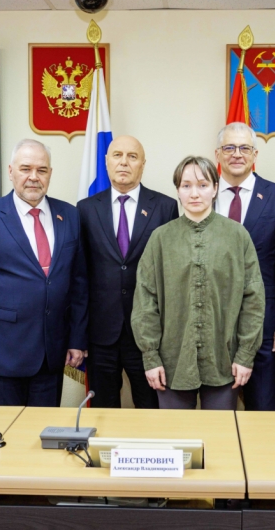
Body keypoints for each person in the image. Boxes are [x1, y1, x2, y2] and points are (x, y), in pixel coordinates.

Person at [0, 139, 88, 407]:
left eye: (41, 170)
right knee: (6, 430)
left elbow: (79, 284)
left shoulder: (70, 215)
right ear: (11, 171)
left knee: (44, 429)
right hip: (2, 354)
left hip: (52, 354)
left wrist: (76, 339)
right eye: (25, 168)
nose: (33, 177)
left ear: (50, 173)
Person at [131, 156, 265, 410]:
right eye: (186, 185)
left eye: (203, 185)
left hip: (225, 361)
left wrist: (245, 355)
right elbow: (145, 302)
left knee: (220, 433)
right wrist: (150, 357)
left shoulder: (238, 236)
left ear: (215, 188)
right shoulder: (160, 238)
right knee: (176, 434)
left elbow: (253, 299)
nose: (194, 193)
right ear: (178, 190)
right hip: (172, 363)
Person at [78, 135, 179, 409]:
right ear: (106, 162)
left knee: (150, 410)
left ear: (143, 164)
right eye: (117, 155)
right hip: (101, 334)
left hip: (148, 336)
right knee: (103, 412)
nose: (124, 162)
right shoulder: (85, 209)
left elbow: (171, 276)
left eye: (132, 156)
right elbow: (80, 276)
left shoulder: (165, 207)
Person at [214, 122, 275, 411]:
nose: (237, 154)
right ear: (218, 154)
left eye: (244, 148)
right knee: (217, 409)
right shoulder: (204, 194)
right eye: (229, 147)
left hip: (265, 324)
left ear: (255, 154)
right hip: (215, 324)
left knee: (262, 408)